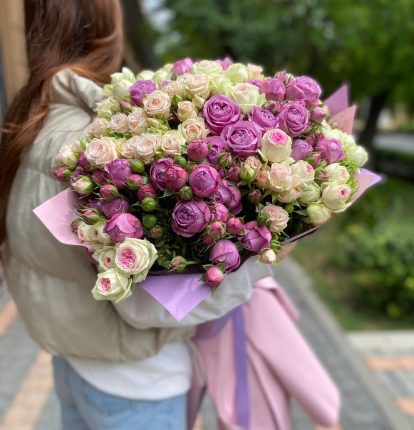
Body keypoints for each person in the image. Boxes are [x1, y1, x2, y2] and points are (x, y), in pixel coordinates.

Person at [0, 1, 283, 429]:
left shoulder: (33, 125)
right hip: (137, 385)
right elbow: (144, 309)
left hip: (74, 365)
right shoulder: (96, 145)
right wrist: (261, 258)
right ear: (99, 26)